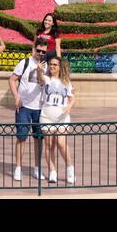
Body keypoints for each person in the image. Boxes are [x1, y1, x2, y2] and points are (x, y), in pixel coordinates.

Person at [9, 38, 49, 182]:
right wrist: (16, 96)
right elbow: (12, 79)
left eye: (43, 51)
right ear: (34, 48)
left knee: (39, 139)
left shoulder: (47, 66)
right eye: (38, 50)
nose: (40, 53)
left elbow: (45, 83)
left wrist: (40, 71)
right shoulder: (24, 62)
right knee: (21, 137)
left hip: (39, 108)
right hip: (24, 106)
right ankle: (18, 167)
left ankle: (37, 168)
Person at [40, 55, 76, 184]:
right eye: (50, 64)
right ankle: (52, 171)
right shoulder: (46, 78)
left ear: (60, 67)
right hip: (47, 115)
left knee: (61, 143)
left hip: (61, 116)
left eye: (55, 65)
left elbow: (72, 98)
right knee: (49, 145)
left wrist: (69, 107)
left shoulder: (66, 82)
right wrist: (39, 70)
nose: (52, 67)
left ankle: (70, 168)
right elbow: (40, 78)